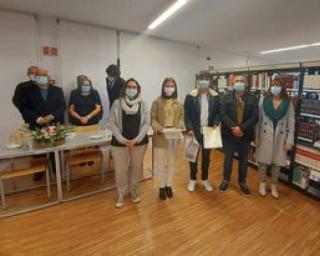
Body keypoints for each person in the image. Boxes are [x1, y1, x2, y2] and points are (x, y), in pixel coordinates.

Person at [108, 78, 149, 208]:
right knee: (121, 170)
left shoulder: (143, 103)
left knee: (136, 168)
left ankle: (134, 191)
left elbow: (146, 123)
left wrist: (138, 138)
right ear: (125, 88)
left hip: (139, 142)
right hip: (119, 142)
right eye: (129, 86)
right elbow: (112, 122)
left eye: (134, 87)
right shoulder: (117, 103)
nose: (132, 89)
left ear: (138, 89)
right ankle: (121, 193)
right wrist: (121, 138)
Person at [255, 76, 295, 199]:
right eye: (273, 85)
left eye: (278, 85)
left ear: (282, 87)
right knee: (262, 163)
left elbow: (291, 122)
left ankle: (273, 186)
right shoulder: (264, 99)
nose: (275, 87)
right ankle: (262, 184)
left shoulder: (288, 102)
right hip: (264, 135)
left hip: (280, 137)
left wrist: (289, 140)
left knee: (277, 164)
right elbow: (258, 120)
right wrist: (256, 137)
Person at [219, 74, 259, 196]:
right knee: (228, 159)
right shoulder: (225, 97)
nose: (239, 83)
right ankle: (226, 180)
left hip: (245, 135)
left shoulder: (253, 98)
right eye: (237, 81)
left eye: (242, 81)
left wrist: (241, 129)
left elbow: (255, 117)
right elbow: (223, 115)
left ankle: (242, 181)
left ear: (246, 83)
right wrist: (234, 128)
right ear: (232, 83)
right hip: (229, 135)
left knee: (243, 161)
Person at [184, 71, 220, 192]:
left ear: (210, 81)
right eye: (201, 79)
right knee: (192, 156)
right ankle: (192, 179)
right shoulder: (190, 95)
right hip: (193, 131)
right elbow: (186, 114)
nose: (204, 81)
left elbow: (218, 112)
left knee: (206, 157)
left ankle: (205, 179)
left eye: (206, 79)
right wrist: (189, 128)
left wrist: (216, 122)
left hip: (210, 131)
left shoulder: (215, 95)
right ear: (198, 81)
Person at [151, 78, 184, 200]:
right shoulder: (157, 102)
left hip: (174, 136)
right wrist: (158, 128)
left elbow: (181, 116)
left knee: (171, 162)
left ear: (175, 88)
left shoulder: (178, 103)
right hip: (161, 136)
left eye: (172, 86)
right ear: (163, 87)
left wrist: (179, 126)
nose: (169, 88)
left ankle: (169, 185)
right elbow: (153, 118)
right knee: (161, 163)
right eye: (167, 85)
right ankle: (161, 186)